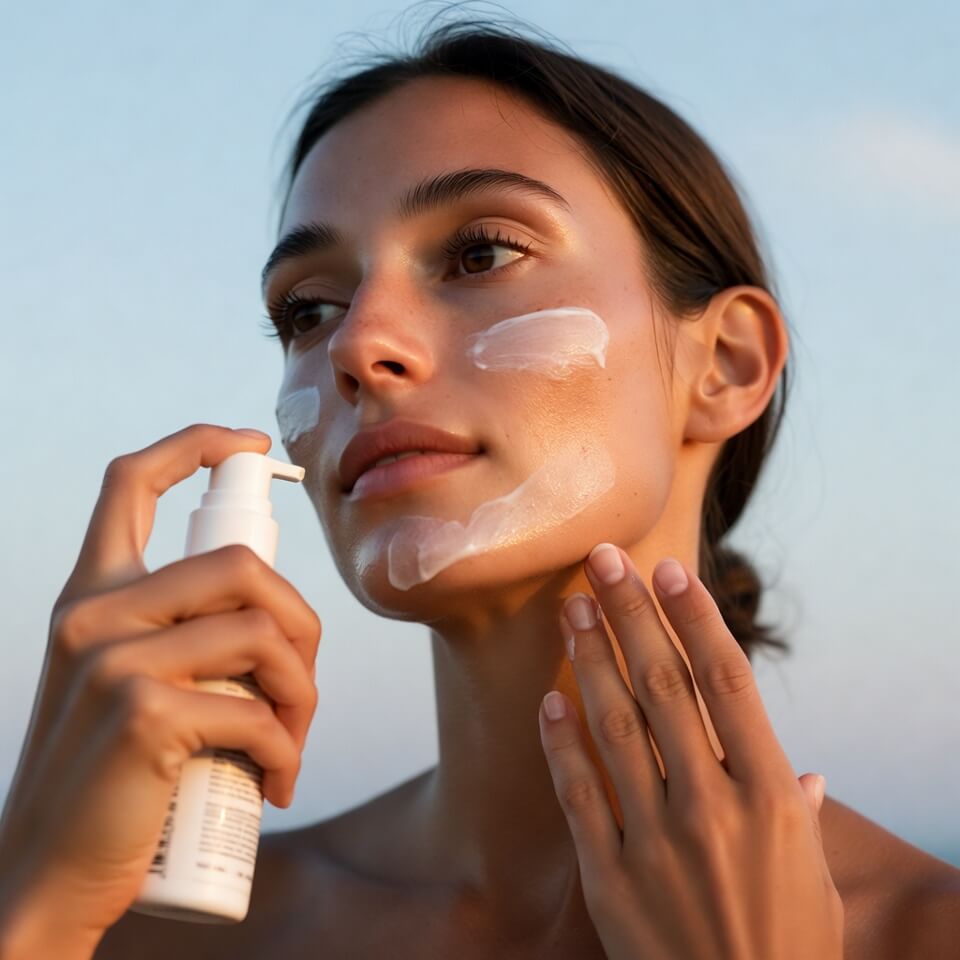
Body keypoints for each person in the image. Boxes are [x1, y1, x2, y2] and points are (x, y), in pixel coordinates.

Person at [2, 16, 958, 960]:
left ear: (727, 365)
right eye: (308, 308)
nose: (358, 346)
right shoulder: (160, 932)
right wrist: (31, 901)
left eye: (481, 254)